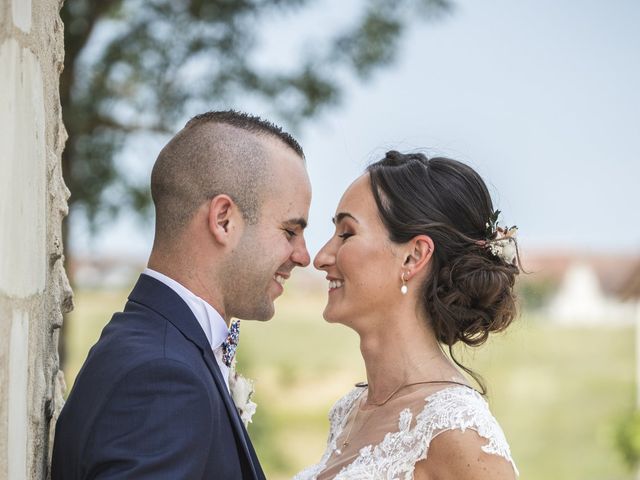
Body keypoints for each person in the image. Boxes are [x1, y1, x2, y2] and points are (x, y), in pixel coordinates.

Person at [51, 110, 311, 480]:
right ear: (223, 220)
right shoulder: (162, 378)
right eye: (290, 231)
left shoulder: (148, 346)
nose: (304, 256)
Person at [295, 151, 520, 480]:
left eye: (346, 233)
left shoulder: (456, 428)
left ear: (413, 257)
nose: (322, 257)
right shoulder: (350, 411)